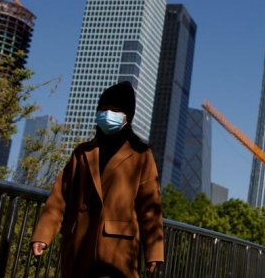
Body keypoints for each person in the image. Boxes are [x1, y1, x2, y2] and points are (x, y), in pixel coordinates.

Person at [30, 81, 164, 277]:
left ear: (128, 116)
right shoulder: (82, 152)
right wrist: (43, 235)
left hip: (117, 250)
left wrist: (154, 251)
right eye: (104, 109)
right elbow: (60, 197)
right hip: (79, 243)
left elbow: (149, 206)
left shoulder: (141, 155)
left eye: (115, 109)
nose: (108, 114)